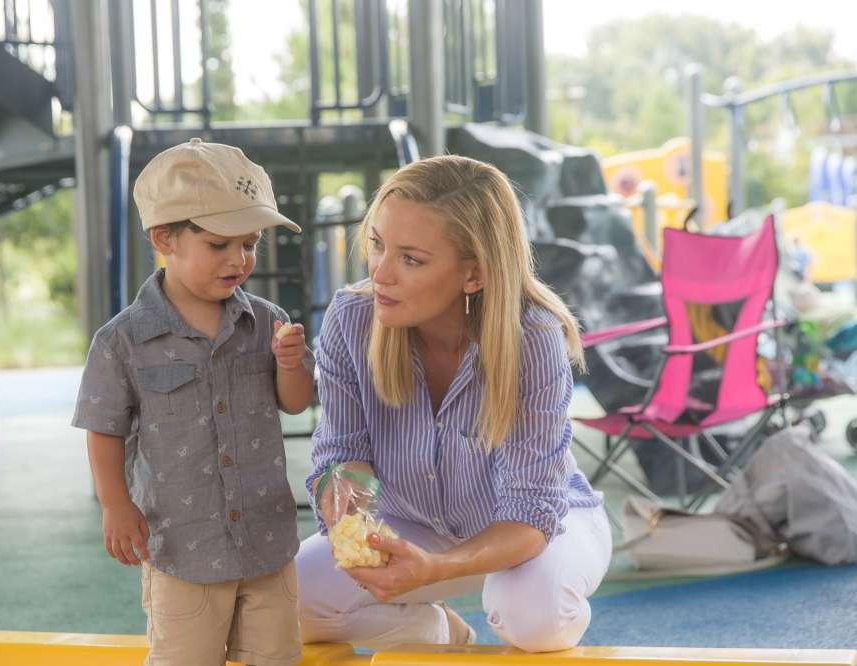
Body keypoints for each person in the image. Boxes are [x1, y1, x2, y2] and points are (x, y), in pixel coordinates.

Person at [298, 155, 611, 652]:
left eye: (411, 259)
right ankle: (433, 632)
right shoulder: (351, 318)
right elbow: (344, 453)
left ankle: (533, 600)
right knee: (288, 601)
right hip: (412, 523)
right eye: (377, 245)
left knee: (534, 616)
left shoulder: (533, 339)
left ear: (474, 274)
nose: (381, 273)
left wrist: (437, 568)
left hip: (534, 528)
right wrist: (354, 531)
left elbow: (530, 512)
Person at [72, 139, 314, 666]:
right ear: (165, 239)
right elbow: (104, 427)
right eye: (219, 244)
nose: (239, 259)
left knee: (276, 656)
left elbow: (295, 404)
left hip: (267, 540)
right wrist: (115, 504)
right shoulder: (122, 340)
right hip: (184, 545)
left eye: (250, 243)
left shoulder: (267, 321)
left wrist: (292, 365)